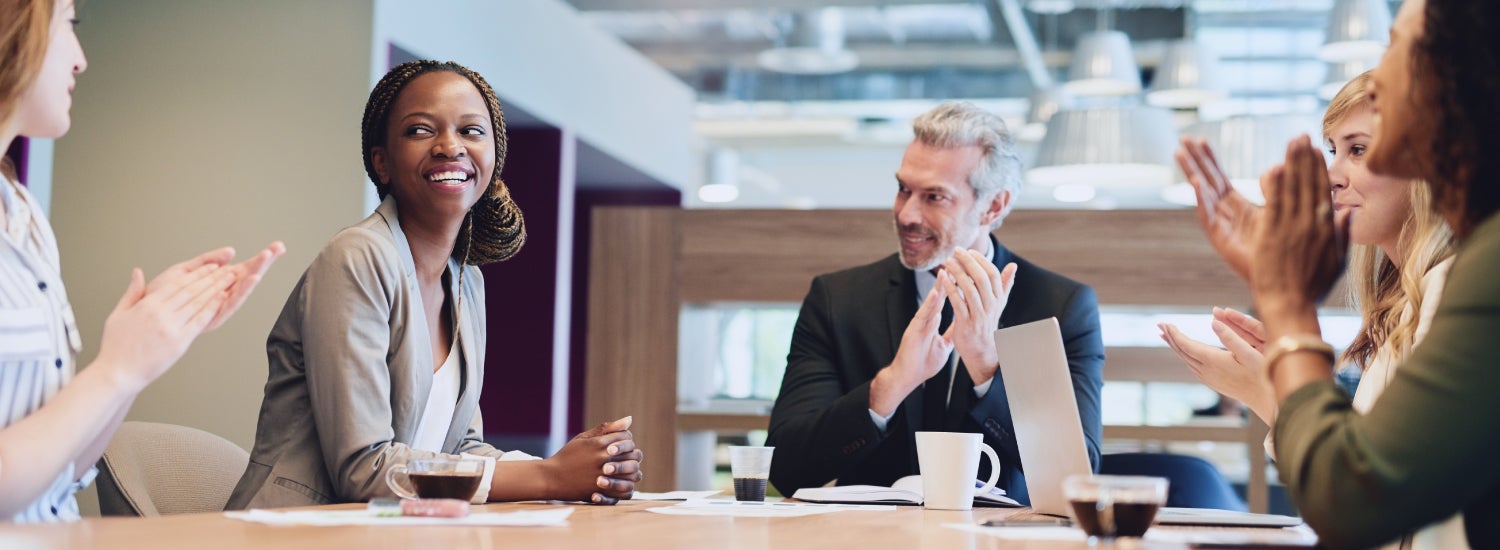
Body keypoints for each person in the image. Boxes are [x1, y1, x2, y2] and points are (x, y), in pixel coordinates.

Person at [227, 60, 641, 510]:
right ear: (381, 161)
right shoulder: (358, 257)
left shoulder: (466, 282)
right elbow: (362, 468)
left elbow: (459, 451)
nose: (450, 147)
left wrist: (576, 469)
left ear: (492, 158)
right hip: (295, 531)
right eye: (421, 130)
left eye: (471, 131)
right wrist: (548, 477)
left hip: (387, 533)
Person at [1177, 1, 1500, 546]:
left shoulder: (1472, 276)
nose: (1331, 174)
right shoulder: (1407, 303)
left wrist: (1287, 311)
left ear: (1451, 80)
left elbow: (1353, 498)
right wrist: (1278, 376)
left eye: (1397, 46)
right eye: (1334, 149)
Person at [0, 0, 283, 522]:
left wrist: (144, 352)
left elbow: (63, 471)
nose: (81, 59)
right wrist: (114, 369)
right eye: (69, 25)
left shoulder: (24, 217)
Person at [766, 101, 1104, 503]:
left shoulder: (1060, 307)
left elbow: (1074, 480)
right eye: (903, 189)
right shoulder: (838, 300)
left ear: (993, 206)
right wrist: (891, 384)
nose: (907, 214)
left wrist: (986, 369)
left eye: (934, 197)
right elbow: (784, 469)